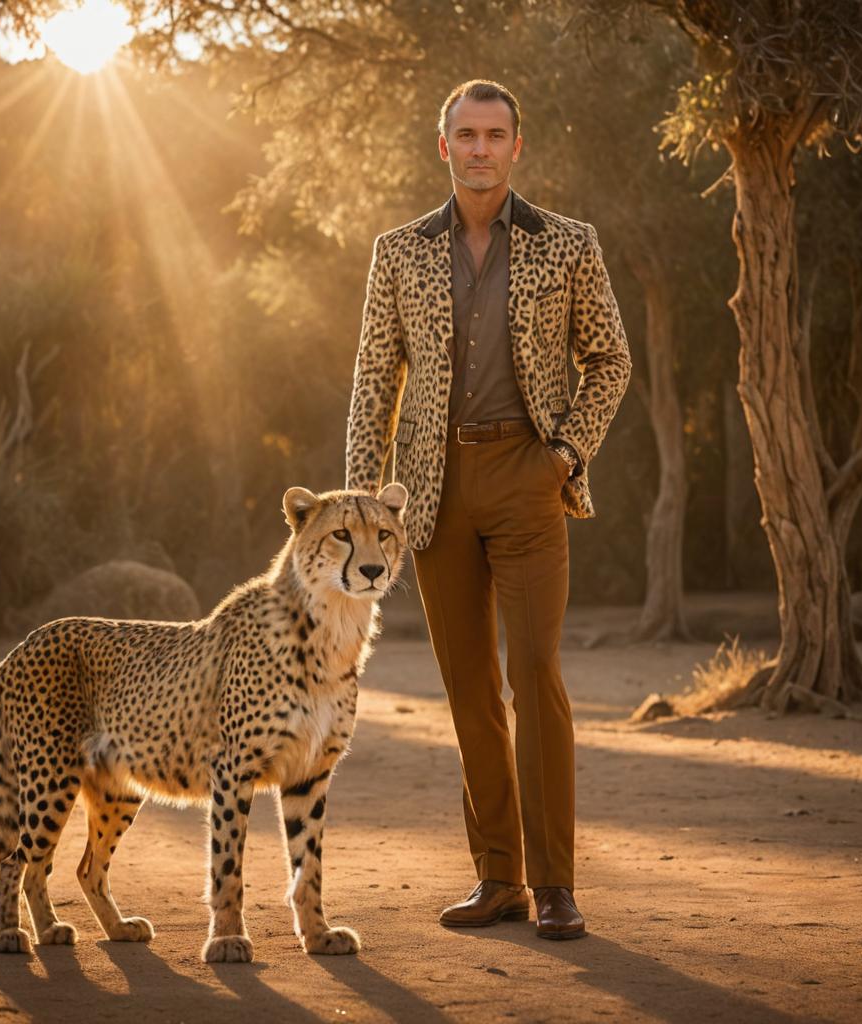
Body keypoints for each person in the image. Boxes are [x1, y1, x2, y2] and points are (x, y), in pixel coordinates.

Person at [345, 79, 631, 940]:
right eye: (464, 134)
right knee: (470, 688)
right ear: (444, 147)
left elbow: (609, 359)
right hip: (432, 493)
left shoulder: (568, 244)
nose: (479, 148)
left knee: (535, 672)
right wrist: (363, 508)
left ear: (517, 147)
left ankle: (555, 886)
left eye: (494, 135)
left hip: (528, 476)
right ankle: (498, 878)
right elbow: (372, 382)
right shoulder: (397, 252)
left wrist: (566, 454)